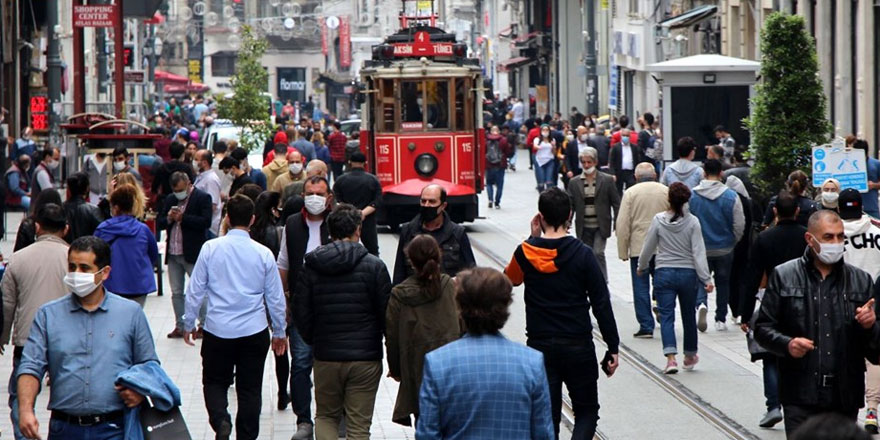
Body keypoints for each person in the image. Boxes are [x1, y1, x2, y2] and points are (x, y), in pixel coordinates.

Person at [504, 187, 620, 438]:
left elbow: (510, 280)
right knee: (587, 413)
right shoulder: (584, 255)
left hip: (540, 346)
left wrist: (531, 237)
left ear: (540, 217)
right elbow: (601, 303)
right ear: (570, 215)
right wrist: (612, 346)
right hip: (578, 344)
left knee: (547, 417)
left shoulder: (525, 252)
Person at [16, 236, 159, 440]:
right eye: (72, 267)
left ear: (105, 273)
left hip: (113, 428)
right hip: (64, 428)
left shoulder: (130, 313)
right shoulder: (48, 315)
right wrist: (26, 410)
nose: (76, 274)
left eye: (85, 268)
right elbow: (31, 366)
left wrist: (140, 391)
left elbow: (149, 363)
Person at [755, 210, 880, 436]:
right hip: (799, 393)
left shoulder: (860, 281)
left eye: (841, 237)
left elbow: (875, 351)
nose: (836, 243)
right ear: (810, 239)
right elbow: (763, 329)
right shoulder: (784, 275)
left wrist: (870, 325)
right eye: (828, 237)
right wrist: (787, 344)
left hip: (844, 395)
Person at [183, 194, 288, 440]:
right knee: (250, 389)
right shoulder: (263, 254)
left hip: (218, 330)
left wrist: (189, 323)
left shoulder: (211, 248)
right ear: (252, 220)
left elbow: (195, 290)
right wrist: (280, 332)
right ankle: (246, 436)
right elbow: (275, 297)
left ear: (227, 218)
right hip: (254, 330)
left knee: (214, 382)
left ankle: (221, 420)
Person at [416, 267, 554, 440]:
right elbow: (543, 434)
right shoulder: (532, 362)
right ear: (504, 307)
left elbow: (427, 434)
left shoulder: (437, 363)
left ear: (460, 307)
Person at [294, 204, 392, 440]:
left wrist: (314, 339)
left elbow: (301, 312)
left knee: (326, 416)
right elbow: (387, 314)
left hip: (326, 355)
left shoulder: (312, 265)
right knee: (359, 425)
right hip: (365, 358)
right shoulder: (374, 266)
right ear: (358, 230)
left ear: (330, 231)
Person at [740, 190, 807, 429]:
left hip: (772, 299)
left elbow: (752, 276)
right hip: (803, 301)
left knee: (770, 355)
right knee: (800, 350)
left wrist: (745, 312)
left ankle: (773, 405)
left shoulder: (765, 239)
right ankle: (799, 403)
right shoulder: (806, 237)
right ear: (798, 210)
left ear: (775, 211)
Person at [1, 203, 69, 440]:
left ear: (37, 227)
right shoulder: (73, 258)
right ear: (66, 229)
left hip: (27, 338)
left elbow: (7, 304)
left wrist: (3, 336)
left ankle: (24, 436)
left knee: (21, 394)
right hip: (65, 338)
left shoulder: (18, 259)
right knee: (67, 393)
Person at [277, 176, 334, 440]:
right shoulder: (292, 224)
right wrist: (284, 301)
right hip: (301, 306)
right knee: (300, 364)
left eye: (319, 193)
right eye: (309, 193)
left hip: (333, 308)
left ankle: (333, 416)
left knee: (332, 363)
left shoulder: (338, 222)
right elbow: (284, 264)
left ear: (329, 196)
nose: (314, 198)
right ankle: (304, 421)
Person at [638, 182, 713, 373]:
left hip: (664, 273)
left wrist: (642, 265)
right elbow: (698, 252)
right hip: (688, 274)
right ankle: (689, 355)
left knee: (667, 317)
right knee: (688, 315)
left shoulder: (658, 220)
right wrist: (706, 279)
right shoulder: (693, 222)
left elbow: (648, 246)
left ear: (668, 199)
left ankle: (671, 358)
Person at [386, 235, 460, 427]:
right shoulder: (450, 287)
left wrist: (396, 369)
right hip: (452, 369)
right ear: (438, 256)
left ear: (410, 261)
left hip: (416, 369)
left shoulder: (399, 294)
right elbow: (464, 324)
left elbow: (392, 337)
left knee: (425, 425)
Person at [837, 189, 880, 433]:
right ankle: (872, 409)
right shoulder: (877, 231)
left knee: (847, 353)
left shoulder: (833, 235)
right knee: (874, 354)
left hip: (843, 299)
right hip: (875, 298)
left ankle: (846, 410)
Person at [689, 159, 745, 332]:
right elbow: (739, 224)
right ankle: (720, 319)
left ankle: (701, 304)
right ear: (721, 173)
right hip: (724, 247)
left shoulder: (692, 195)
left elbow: (687, 221)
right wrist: (732, 240)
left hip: (701, 247)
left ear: (704, 173)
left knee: (701, 279)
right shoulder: (731, 196)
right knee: (723, 283)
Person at [617, 162, 669, 338]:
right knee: (662, 284)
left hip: (639, 248)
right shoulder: (665, 190)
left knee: (640, 287)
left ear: (636, 177)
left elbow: (623, 223)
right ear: (655, 175)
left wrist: (623, 250)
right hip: (663, 247)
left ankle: (646, 325)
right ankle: (664, 313)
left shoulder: (630, 193)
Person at [158, 172, 212, 339]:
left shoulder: (202, 198)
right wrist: (169, 218)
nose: (178, 193)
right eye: (176, 190)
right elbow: (159, 223)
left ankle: (204, 324)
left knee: (199, 290)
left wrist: (184, 218)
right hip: (173, 253)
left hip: (192, 251)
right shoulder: (170, 200)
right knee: (176, 292)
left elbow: (205, 222)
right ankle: (180, 325)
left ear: (189, 184)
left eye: (181, 189)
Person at [392, 184, 476, 285]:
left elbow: (470, 271)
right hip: (414, 297)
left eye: (432, 202)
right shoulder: (407, 231)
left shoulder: (457, 233)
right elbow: (399, 272)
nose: (427, 205)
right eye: (423, 201)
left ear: (443, 206)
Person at [94, 184, 159, 307]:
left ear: (116, 207)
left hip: (111, 285)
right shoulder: (143, 230)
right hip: (138, 284)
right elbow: (153, 254)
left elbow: (94, 256)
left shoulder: (103, 229)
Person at [567, 147, 619, 278]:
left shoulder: (606, 180)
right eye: (583, 162)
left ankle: (603, 280)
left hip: (601, 225)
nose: (586, 165)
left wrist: (617, 222)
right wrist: (566, 222)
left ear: (595, 162)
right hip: (583, 226)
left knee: (598, 253)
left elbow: (616, 202)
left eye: (589, 162)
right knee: (586, 256)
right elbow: (570, 204)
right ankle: (590, 283)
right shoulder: (574, 182)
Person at [332, 151, 382, 256]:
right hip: (368, 220)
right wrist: (362, 213)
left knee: (345, 250)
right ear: (365, 163)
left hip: (346, 219)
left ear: (350, 162)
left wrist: (351, 211)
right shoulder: (373, 180)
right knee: (372, 250)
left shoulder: (341, 180)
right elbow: (377, 201)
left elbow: (337, 199)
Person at [151, 142, 195, 216]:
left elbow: (154, 187)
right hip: (183, 202)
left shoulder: (162, 167)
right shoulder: (186, 168)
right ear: (182, 154)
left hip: (164, 201)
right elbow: (192, 185)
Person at [193, 149, 223, 236]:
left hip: (209, 228)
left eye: (196, 159)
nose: (193, 162)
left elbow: (212, 205)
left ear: (205, 163)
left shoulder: (211, 180)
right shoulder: (201, 176)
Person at [485, 125, 513, 209]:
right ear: (499, 131)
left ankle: (490, 199)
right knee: (499, 185)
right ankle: (497, 203)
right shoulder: (503, 140)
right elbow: (507, 152)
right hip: (500, 165)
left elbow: (483, 151)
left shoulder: (486, 140)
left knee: (489, 183)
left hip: (489, 165)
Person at [609, 127, 642, 194]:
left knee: (631, 190)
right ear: (621, 136)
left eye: (627, 136)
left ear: (630, 136)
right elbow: (611, 161)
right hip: (619, 172)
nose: (625, 137)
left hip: (630, 172)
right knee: (618, 191)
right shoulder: (616, 147)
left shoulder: (634, 147)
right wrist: (612, 174)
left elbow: (637, 160)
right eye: (624, 135)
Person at [853, 139, 880, 218]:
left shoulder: (876, 164)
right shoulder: (849, 164)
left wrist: (873, 185)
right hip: (853, 206)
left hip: (871, 206)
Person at [532, 124, 556, 191]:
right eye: (543, 130)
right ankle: (542, 194)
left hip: (549, 161)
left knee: (549, 181)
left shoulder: (552, 140)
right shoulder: (537, 139)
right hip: (540, 161)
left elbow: (554, 152)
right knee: (541, 182)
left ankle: (549, 195)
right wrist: (539, 147)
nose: (545, 131)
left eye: (547, 130)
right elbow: (535, 146)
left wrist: (553, 146)